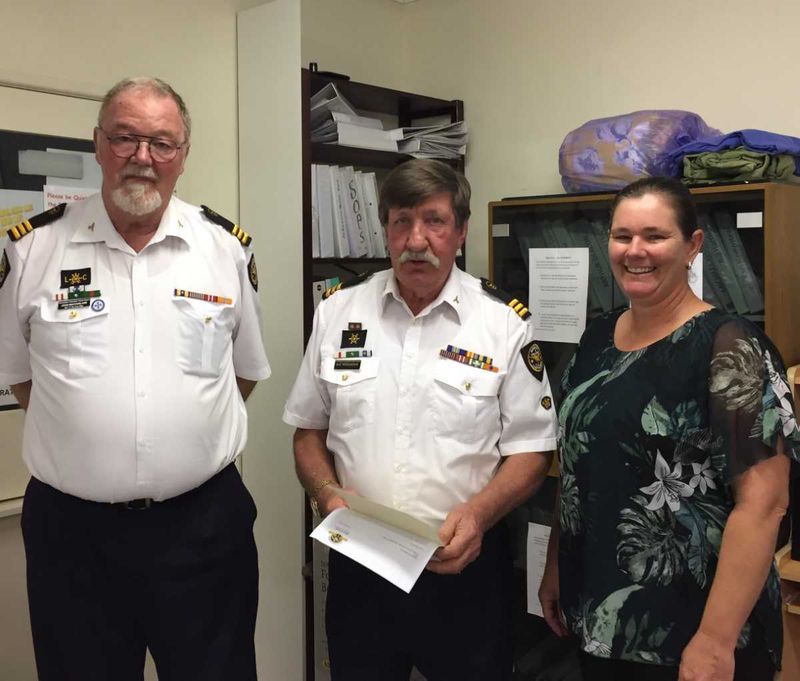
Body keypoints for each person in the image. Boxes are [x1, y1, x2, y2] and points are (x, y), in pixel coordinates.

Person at [0, 77, 270, 681]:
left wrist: (180, 438)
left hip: (203, 528)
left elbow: (242, 375)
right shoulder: (33, 251)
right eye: (125, 138)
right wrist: (91, 439)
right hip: (74, 537)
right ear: (98, 144)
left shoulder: (224, 249)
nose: (143, 157)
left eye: (162, 143)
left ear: (183, 155)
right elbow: (19, 377)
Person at [283, 159, 558, 681]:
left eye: (433, 221)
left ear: (460, 231)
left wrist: (478, 514)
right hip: (360, 563)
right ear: (385, 229)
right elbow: (308, 432)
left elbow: (533, 451)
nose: (416, 239)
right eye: (400, 221)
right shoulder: (337, 313)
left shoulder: (502, 324)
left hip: (464, 567)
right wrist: (325, 493)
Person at [538, 176, 800, 681]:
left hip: (693, 634)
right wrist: (555, 565)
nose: (636, 251)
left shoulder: (730, 346)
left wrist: (715, 642)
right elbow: (575, 472)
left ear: (693, 246)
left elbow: (765, 505)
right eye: (622, 236)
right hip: (601, 614)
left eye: (655, 236)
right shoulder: (595, 340)